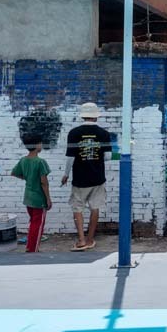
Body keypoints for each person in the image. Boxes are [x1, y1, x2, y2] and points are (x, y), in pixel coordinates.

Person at [61, 102, 112, 251]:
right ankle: (90, 239)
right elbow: (108, 157)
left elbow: (70, 158)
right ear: (96, 116)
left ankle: (81, 240)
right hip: (97, 177)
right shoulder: (104, 134)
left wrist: (66, 174)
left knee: (77, 208)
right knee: (95, 208)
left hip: (80, 178)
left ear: (83, 116)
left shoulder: (74, 133)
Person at [11, 135, 52, 252]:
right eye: (40, 143)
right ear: (37, 145)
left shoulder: (23, 160)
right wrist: (48, 199)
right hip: (39, 198)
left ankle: (30, 247)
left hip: (28, 197)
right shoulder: (40, 162)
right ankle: (32, 249)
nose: (41, 145)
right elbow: (44, 182)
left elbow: (14, 173)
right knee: (37, 225)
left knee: (33, 223)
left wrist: (27, 178)